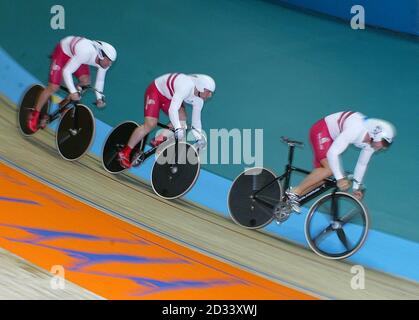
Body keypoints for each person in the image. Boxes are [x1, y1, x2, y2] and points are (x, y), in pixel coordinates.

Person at [286, 111, 396, 212]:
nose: (382, 148)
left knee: (324, 178)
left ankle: (290, 199)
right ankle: (295, 192)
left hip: (333, 138)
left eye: (386, 145)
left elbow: (362, 164)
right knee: (329, 169)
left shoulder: (371, 144)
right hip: (322, 129)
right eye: (383, 144)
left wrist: (356, 187)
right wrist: (340, 179)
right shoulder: (355, 129)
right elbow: (332, 153)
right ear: (375, 135)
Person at [117, 73, 215, 169]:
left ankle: (159, 138)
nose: (210, 95)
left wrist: (199, 137)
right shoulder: (186, 86)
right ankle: (125, 152)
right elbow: (173, 110)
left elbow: (196, 121)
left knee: (182, 118)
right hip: (156, 91)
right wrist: (177, 128)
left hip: (170, 97)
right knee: (151, 124)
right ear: (201, 87)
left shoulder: (199, 100)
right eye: (209, 92)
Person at [27, 36, 117, 133]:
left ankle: (63, 104)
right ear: (101, 54)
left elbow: (100, 81)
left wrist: (99, 98)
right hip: (63, 52)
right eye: (108, 60)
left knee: (85, 83)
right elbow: (67, 71)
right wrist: (73, 91)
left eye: (111, 62)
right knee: (53, 87)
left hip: (77, 56)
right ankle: (34, 113)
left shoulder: (105, 63)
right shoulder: (86, 52)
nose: (109, 64)